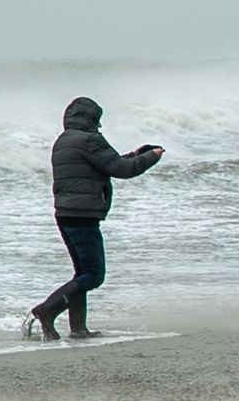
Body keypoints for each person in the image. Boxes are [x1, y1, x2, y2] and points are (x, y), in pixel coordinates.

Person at [29, 97, 164, 341]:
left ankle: (79, 328)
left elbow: (105, 164)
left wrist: (133, 154)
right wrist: (151, 157)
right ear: (91, 119)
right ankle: (47, 310)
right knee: (93, 275)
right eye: (97, 120)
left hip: (65, 213)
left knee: (82, 273)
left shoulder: (63, 141)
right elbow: (123, 170)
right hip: (83, 215)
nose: (99, 126)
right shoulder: (91, 140)